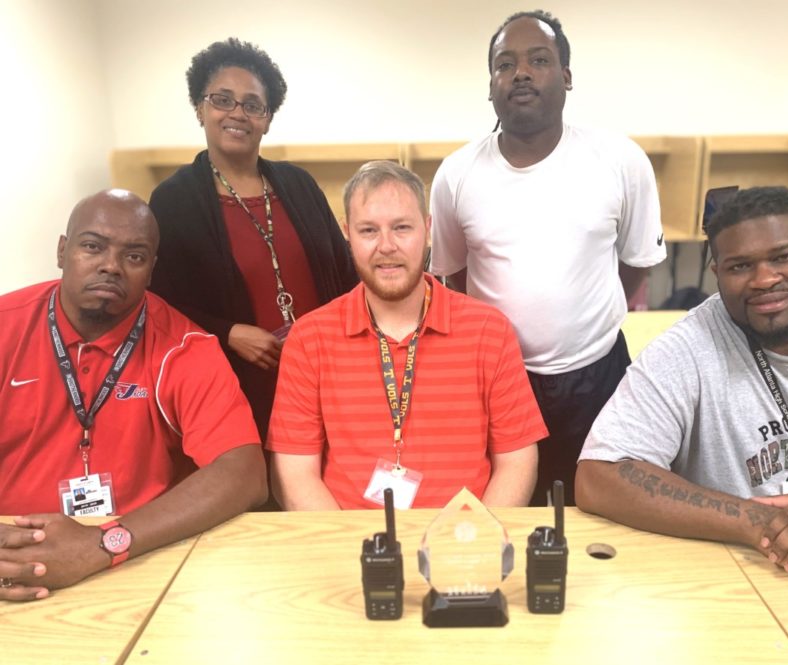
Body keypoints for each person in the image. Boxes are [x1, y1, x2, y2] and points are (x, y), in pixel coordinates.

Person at [576, 186, 788, 586]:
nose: (764, 279)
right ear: (718, 274)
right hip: (739, 573)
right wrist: (759, 521)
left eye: (784, 257)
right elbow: (599, 475)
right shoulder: (686, 349)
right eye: (740, 266)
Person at [429, 10, 665, 506]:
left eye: (539, 59)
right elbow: (453, 277)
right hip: (496, 378)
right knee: (506, 506)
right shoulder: (456, 175)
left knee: (601, 507)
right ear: (490, 84)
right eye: (504, 63)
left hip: (596, 372)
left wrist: (580, 320)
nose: (520, 73)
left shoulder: (620, 160)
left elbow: (637, 260)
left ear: (566, 76)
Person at [0, 190, 266, 602]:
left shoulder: (184, 346)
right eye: (93, 246)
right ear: (62, 250)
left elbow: (244, 472)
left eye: (134, 256)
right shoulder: (6, 328)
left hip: (144, 557)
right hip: (12, 557)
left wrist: (103, 545)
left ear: (152, 270)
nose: (111, 266)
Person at [267, 161, 546, 510]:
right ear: (347, 234)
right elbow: (296, 474)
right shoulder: (309, 339)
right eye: (368, 231)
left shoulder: (489, 331)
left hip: (462, 543)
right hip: (350, 547)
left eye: (402, 228)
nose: (386, 246)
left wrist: (476, 543)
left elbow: (517, 461)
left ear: (427, 230)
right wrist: (351, 555)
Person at [148, 37, 357, 439]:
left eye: (253, 104)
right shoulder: (173, 201)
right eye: (222, 99)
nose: (237, 113)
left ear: (267, 118)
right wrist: (227, 333)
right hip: (238, 383)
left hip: (323, 372)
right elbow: (162, 306)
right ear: (199, 107)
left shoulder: (299, 185)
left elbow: (344, 272)